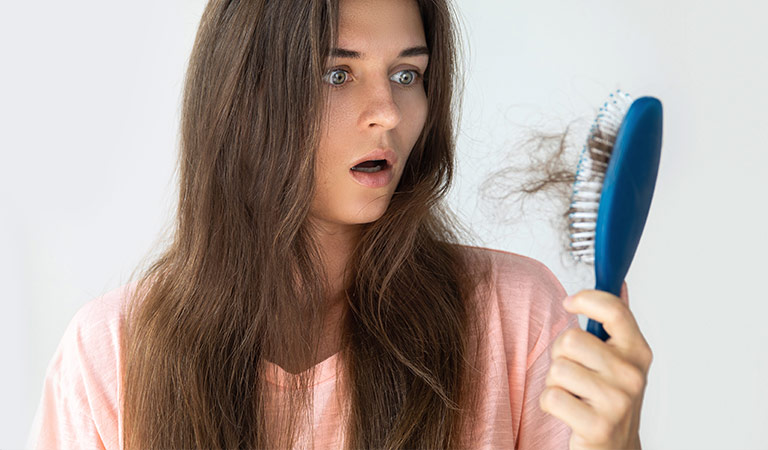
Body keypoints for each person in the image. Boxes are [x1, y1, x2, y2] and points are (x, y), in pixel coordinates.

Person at [26, 0, 652, 449]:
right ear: (245, 97)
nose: (386, 113)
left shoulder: (513, 317)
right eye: (336, 73)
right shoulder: (112, 355)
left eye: (407, 74)